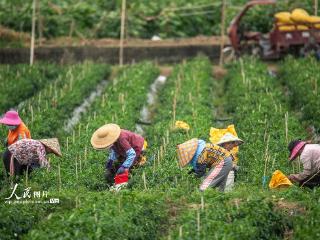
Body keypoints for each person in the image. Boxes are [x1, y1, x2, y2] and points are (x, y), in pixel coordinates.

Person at [177, 133, 244, 192]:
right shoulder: (204, 149)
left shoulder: (201, 153)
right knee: (221, 189)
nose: (232, 147)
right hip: (222, 162)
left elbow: (201, 168)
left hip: (223, 162)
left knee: (206, 185)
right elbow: (201, 165)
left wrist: (196, 175)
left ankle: (200, 197)